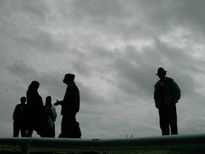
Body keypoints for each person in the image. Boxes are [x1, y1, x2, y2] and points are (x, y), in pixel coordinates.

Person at [154, 67, 181, 135]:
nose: (161, 76)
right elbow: (155, 96)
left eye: (162, 74)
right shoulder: (157, 85)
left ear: (164, 74)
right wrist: (158, 105)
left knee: (173, 125)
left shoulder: (170, 81)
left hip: (171, 106)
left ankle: (174, 143)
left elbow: (177, 91)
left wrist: (174, 100)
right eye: (159, 75)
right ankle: (166, 143)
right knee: (163, 126)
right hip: (162, 108)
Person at [55, 73, 81, 138]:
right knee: (68, 125)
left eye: (65, 77)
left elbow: (69, 101)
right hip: (70, 111)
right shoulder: (71, 87)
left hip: (69, 111)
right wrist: (61, 103)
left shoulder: (71, 87)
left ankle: (67, 137)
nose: (63, 79)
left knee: (66, 126)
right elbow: (69, 101)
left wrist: (62, 103)